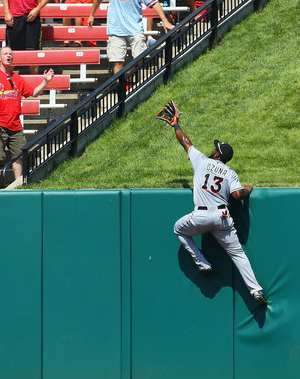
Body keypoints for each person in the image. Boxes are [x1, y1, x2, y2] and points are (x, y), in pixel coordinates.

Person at [166, 104, 267, 306]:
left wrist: (176, 125)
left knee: (178, 229)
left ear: (216, 153)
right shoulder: (229, 173)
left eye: (215, 147)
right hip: (222, 219)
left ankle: (203, 264)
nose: (213, 147)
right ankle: (256, 291)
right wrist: (249, 189)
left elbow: (185, 142)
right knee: (238, 255)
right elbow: (238, 195)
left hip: (201, 217)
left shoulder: (202, 161)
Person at [0, 46, 53, 181]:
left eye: (10, 54)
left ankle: (18, 184)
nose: (8, 56)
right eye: (5, 54)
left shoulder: (17, 78)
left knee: (18, 156)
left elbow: (34, 93)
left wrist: (45, 81)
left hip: (15, 125)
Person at [88, 0, 173, 74]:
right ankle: (121, 89)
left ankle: (127, 79)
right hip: (115, 29)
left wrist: (165, 21)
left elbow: (155, 3)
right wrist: (91, 14)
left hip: (135, 29)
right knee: (117, 62)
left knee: (140, 58)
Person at [1, 0, 48, 74]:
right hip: (14, 16)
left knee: (33, 51)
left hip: (32, 15)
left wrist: (37, 9)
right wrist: (7, 12)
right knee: (11, 52)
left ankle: (33, 81)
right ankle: (9, 81)